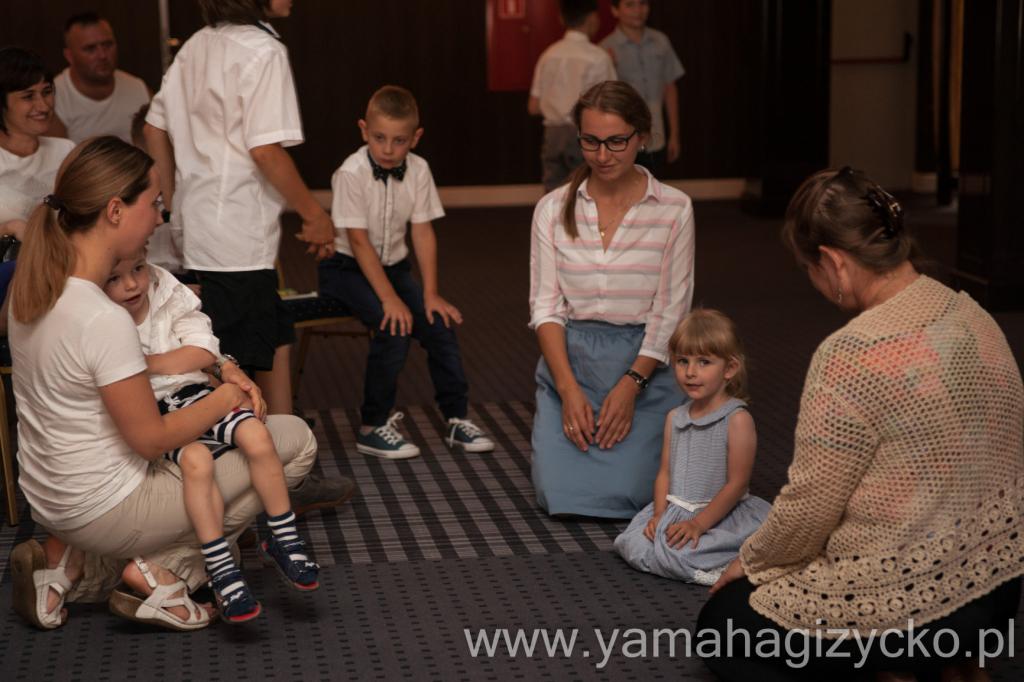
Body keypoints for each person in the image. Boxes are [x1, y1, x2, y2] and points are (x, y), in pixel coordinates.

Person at [697, 168, 1024, 680]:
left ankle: (892, 668)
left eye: (809, 268)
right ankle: (948, 663)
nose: (813, 282)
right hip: (998, 591)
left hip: (908, 606)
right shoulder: (973, 314)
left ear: (833, 262)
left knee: (722, 627)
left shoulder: (851, 354)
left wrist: (752, 562)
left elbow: (809, 508)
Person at [7, 136, 317, 631]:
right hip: (106, 506)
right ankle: (161, 573)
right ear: (115, 211)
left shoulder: (33, 289)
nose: (160, 215)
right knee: (293, 440)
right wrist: (227, 396)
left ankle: (66, 565)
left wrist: (221, 367)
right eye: (153, 203)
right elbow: (151, 440)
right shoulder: (102, 317)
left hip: (48, 498)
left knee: (209, 456)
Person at [144, 0, 351, 510]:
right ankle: (247, 496)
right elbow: (266, 151)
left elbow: (154, 127)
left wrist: (171, 201)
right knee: (236, 365)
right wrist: (314, 214)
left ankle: (286, 471)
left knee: (271, 336)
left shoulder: (198, 42)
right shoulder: (262, 49)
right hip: (235, 233)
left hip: (204, 225)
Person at [102, 248, 319, 623]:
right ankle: (220, 567)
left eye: (138, 269)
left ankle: (283, 537)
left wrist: (149, 363)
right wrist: (179, 359)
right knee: (198, 462)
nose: (133, 284)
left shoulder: (164, 288)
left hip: (195, 393)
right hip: (154, 413)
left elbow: (203, 350)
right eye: (115, 278)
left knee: (256, 434)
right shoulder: (100, 319)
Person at [529, 80, 694, 519]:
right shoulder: (552, 209)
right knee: (556, 492)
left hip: (647, 363)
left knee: (631, 491)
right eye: (591, 141)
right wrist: (568, 389)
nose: (603, 155)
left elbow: (671, 310)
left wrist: (631, 384)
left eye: (617, 141)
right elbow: (545, 309)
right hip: (572, 360)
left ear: (643, 137)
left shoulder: (674, 208)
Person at [318, 85, 494, 459]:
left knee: (439, 325)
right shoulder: (350, 173)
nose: (387, 149)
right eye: (379, 138)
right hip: (346, 269)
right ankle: (372, 426)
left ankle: (457, 418)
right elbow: (359, 242)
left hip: (395, 268)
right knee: (394, 325)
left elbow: (423, 231)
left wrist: (430, 293)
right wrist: (390, 299)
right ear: (364, 130)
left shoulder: (419, 169)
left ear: (415, 138)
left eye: (399, 141)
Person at [613, 310, 770, 584]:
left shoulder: (737, 419)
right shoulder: (675, 417)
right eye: (682, 361)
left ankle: (722, 563)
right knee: (633, 542)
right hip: (675, 509)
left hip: (719, 514)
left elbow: (737, 484)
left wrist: (698, 524)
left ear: (729, 369)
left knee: (681, 552)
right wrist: (659, 515)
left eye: (704, 362)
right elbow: (665, 473)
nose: (690, 372)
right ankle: (684, 560)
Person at [0, 47, 76, 332]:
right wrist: (10, 227)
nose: (43, 105)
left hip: (66, 279)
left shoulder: (65, 152)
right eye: (28, 96)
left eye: (47, 92)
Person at [529, 0, 616, 191]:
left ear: (561, 19)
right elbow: (610, 104)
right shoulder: (599, 57)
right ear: (593, 18)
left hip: (552, 135)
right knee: (587, 192)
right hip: (585, 134)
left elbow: (533, 107)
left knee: (553, 196)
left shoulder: (548, 55)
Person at [600, 0, 684, 175]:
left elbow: (670, 88)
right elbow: (602, 100)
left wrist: (674, 135)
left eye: (643, 3)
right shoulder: (605, 49)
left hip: (656, 136)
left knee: (654, 188)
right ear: (615, 10)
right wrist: (608, 67)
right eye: (630, 5)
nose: (638, 10)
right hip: (621, 141)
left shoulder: (661, 41)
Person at [50, 12, 151, 143]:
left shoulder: (139, 88)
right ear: (69, 56)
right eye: (90, 49)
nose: (102, 55)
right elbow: (57, 154)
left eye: (107, 45)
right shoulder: (53, 98)